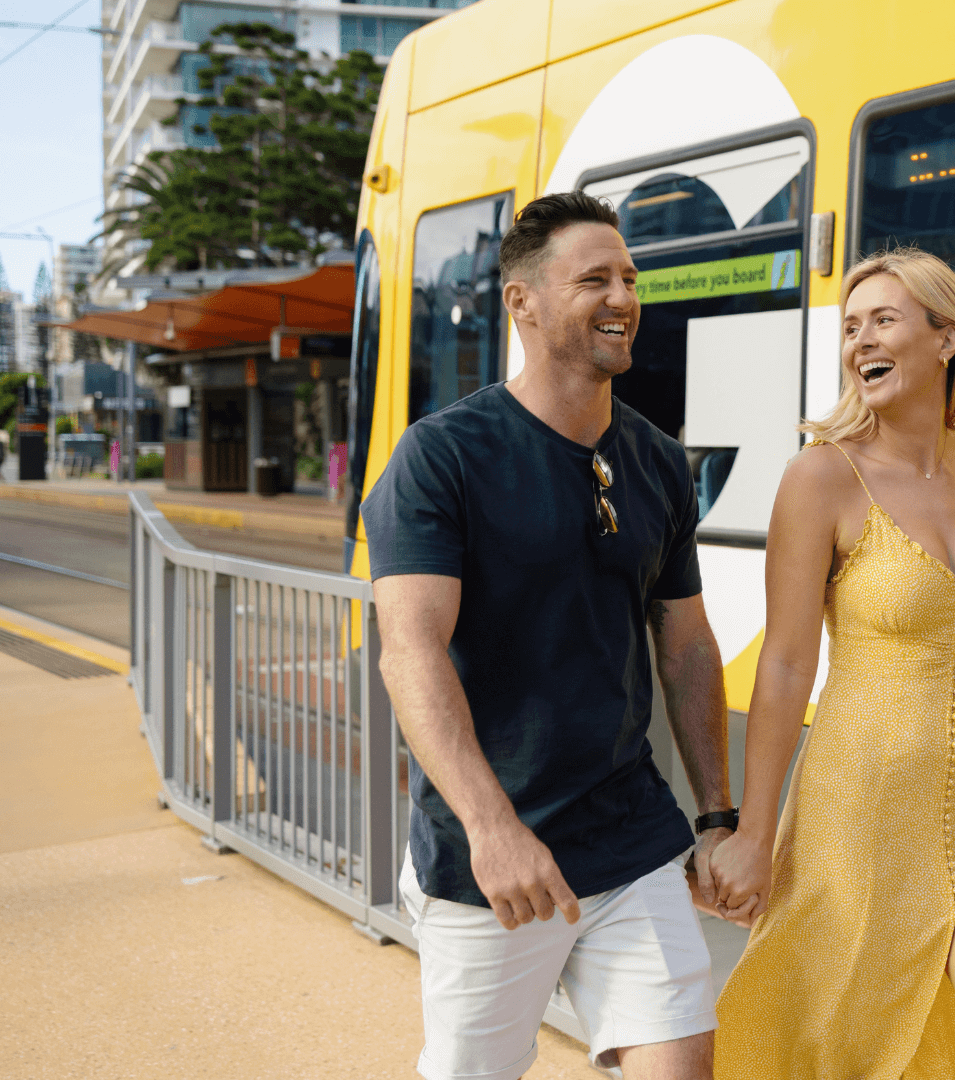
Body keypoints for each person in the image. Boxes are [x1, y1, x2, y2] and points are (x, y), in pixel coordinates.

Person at [364, 192, 737, 1080]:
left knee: (681, 1066)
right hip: (490, 861)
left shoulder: (655, 460)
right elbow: (409, 651)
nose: (623, 297)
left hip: (631, 837)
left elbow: (685, 645)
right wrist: (492, 829)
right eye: (595, 279)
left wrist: (718, 815)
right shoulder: (444, 456)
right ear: (522, 301)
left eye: (631, 278)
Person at [707, 248, 955, 1078]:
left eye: (882, 319)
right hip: (857, 813)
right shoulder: (819, 480)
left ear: (947, 338)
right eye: (850, 326)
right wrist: (755, 833)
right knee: (838, 1047)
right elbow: (785, 667)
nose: (858, 341)